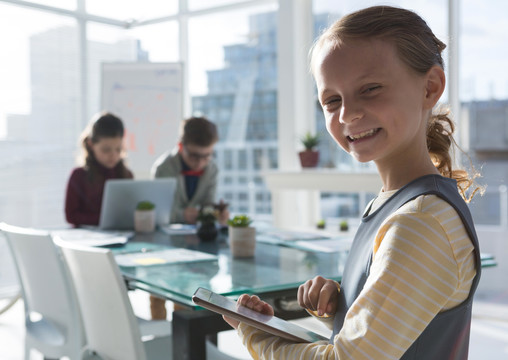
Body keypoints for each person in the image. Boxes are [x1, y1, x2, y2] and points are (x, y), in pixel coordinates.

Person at [223, 6, 483, 360]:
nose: (347, 114)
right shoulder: (396, 205)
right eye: (332, 100)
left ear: (430, 87)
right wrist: (344, 302)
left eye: (370, 89)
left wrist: (254, 334)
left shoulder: (421, 221)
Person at [151, 116, 229, 225]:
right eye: (194, 156)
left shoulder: (212, 169)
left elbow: (208, 205)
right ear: (180, 146)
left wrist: (217, 215)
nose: (200, 163)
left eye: (207, 156)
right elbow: (158, 213)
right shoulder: (163, 168)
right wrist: (182, 215)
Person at [65, 112, 133, 227]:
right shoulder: (78, 176)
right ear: (91, 145)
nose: (113, 155)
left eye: (118, 149)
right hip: (86, 239)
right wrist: (104, 219)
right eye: (106, 150)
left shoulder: (126, 175)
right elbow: (71, 216)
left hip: (120, 237)